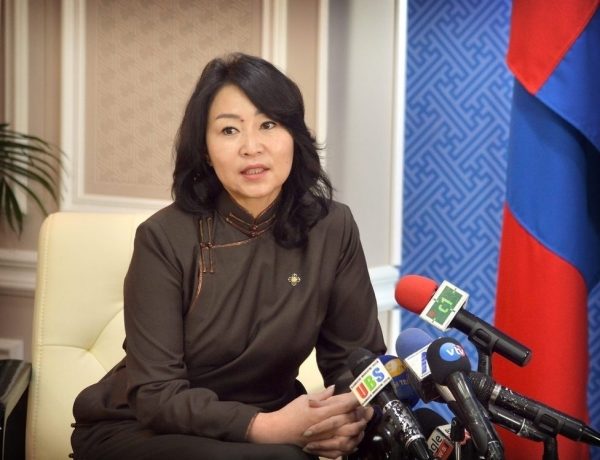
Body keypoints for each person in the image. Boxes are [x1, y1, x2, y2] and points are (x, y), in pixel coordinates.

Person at [70, 52, 386, 460]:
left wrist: (350, 418)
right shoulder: (162, 238)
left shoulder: (332, 227)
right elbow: (156, 394)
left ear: (294, 135)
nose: (252, 147)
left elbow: (355, 359)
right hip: (146, 428)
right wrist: (266, 428)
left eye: (268, 125)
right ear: (205, 149)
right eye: (229, 130)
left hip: (274, 421)